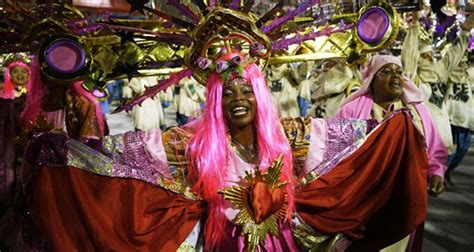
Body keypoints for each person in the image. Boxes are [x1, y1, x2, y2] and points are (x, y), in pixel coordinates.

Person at [24, 51, 430, 251]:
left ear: (259, 97)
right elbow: (123, 154)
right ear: (215, 101)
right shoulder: (192, 143)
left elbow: (347, 139)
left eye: (246, 91)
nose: (238, 99)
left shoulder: (289, 136)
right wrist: (68, 151)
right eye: (228, 93)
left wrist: (393, 130)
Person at [336, 54, 447, 251]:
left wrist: (436, 172)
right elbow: (335, 153)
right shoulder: (352, 110)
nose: (395, 76)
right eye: (385, 72)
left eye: (398, 72)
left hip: (406, 196)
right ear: (372, 81)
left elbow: (435, 146)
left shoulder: (417, 112)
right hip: (364, 197)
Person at [444, 56, 474, 182]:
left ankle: (448, 170)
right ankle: (441, 173)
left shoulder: (469, 75)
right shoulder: (447, 73)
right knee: (451, 149)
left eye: (464, 62)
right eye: (459, 62)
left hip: (466, 119)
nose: (462, 65)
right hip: (452, 117)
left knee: (462, 149)